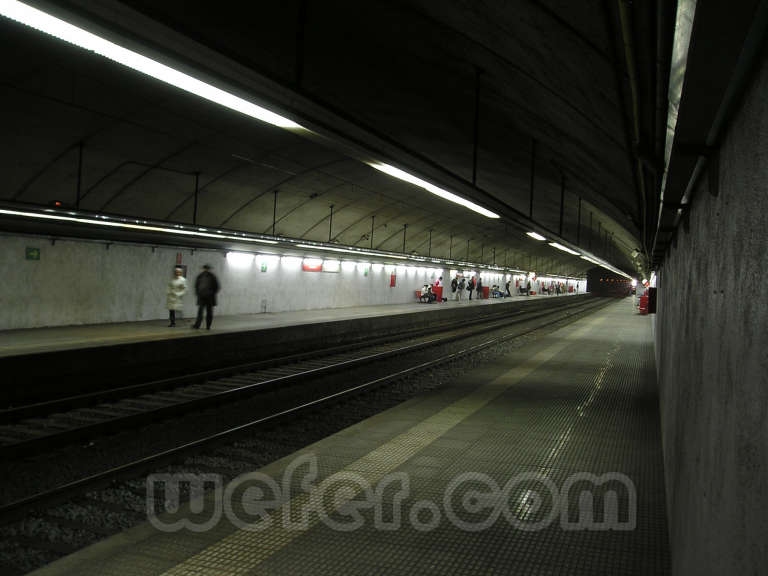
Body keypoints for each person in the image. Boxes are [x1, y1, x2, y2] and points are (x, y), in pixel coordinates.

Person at [192, 264, 220, 330]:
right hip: (201, 297)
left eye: (207, 269)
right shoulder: (200, 276)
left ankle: (208, 326)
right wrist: (198, 293)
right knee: (200, 312)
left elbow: (217, 287)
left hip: (209, 297)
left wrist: (211, 293)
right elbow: (196, 286)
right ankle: (197, 325)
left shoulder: (212, 277)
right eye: (205, 269)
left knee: (209, 312)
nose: (206, 270)